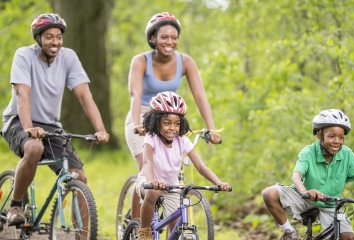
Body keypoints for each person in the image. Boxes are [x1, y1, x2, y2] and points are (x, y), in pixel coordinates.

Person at [0, 13, 109, 226]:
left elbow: (85, 97)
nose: (56, 42)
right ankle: (16, 205)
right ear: (38, 38)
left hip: (50, 125)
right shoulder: (23, 55)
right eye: (49, 37)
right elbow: (22, 94)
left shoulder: (68, 57)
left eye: (59, 37)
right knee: (34, 149)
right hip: (18, 120)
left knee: (80, 178)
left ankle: (84, 234)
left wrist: (100, 129)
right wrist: (29, 127)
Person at [125, 11, 222, 220]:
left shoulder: (185, 61)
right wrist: (136, 123)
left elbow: (199, 95)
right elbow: (135, 94)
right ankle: (136, 223)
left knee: (172, 176)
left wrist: (212, 128)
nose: (170, 41)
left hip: (170, 116)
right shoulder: (140, 61)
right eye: (164, 37)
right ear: (152, 38)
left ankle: (169, 221)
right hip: (143, 114)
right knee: (147, 170)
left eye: (174, 37)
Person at [261, 109, 354, 240]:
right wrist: (305, 192)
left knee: (348, 237)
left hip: (330, 204)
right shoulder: (309, 152)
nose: (337, 141)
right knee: (269, 193)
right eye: (331, 136)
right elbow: (296, 176)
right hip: (304, 198)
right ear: (319, 135)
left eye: (341, 137)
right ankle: (289, 232)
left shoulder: (347, 154)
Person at [134, 91, 230, 240]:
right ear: (156, 121)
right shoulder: (151, 137)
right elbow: (147, 161)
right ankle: (144, 231)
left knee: (175, 230)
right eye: (167, 123)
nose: (172, 128)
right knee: (153, 192)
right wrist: (152, 181)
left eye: (177, 123)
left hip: (171, 186)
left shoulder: (182, 140)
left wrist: (219, 182)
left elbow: (200, 166)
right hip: (147, 182)